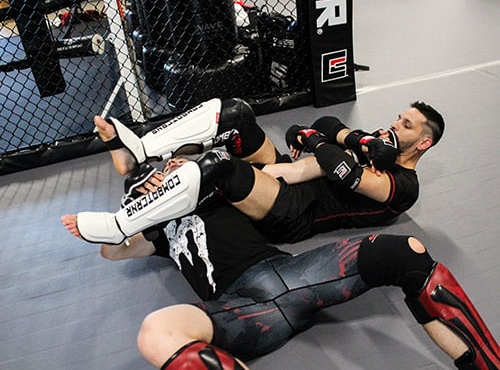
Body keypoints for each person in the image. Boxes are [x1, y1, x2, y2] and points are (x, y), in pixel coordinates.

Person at [61, 157, 499, 369]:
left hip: (295, 275)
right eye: (147, 189)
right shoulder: (157, 237)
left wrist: (194, 172)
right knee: (156, 332)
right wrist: (123, 220)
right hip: (241, 310)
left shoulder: (217, 191)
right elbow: (112, 250)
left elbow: (267, 181)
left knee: (405, 250)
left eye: (161, 181)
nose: (157, 187)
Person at [74, 97, 444, 245]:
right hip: (290, 174)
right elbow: (324, 124)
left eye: (407, 126)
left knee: (218, 166)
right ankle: (138, 151)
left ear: (423, 144)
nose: (395, 125)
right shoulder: (376, 147)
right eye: (399, 117)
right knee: (235, 114)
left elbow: (340, 168)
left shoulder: (403, 186)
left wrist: (316, 140)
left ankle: (122, 225)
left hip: (296, 213)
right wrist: (339, 139)